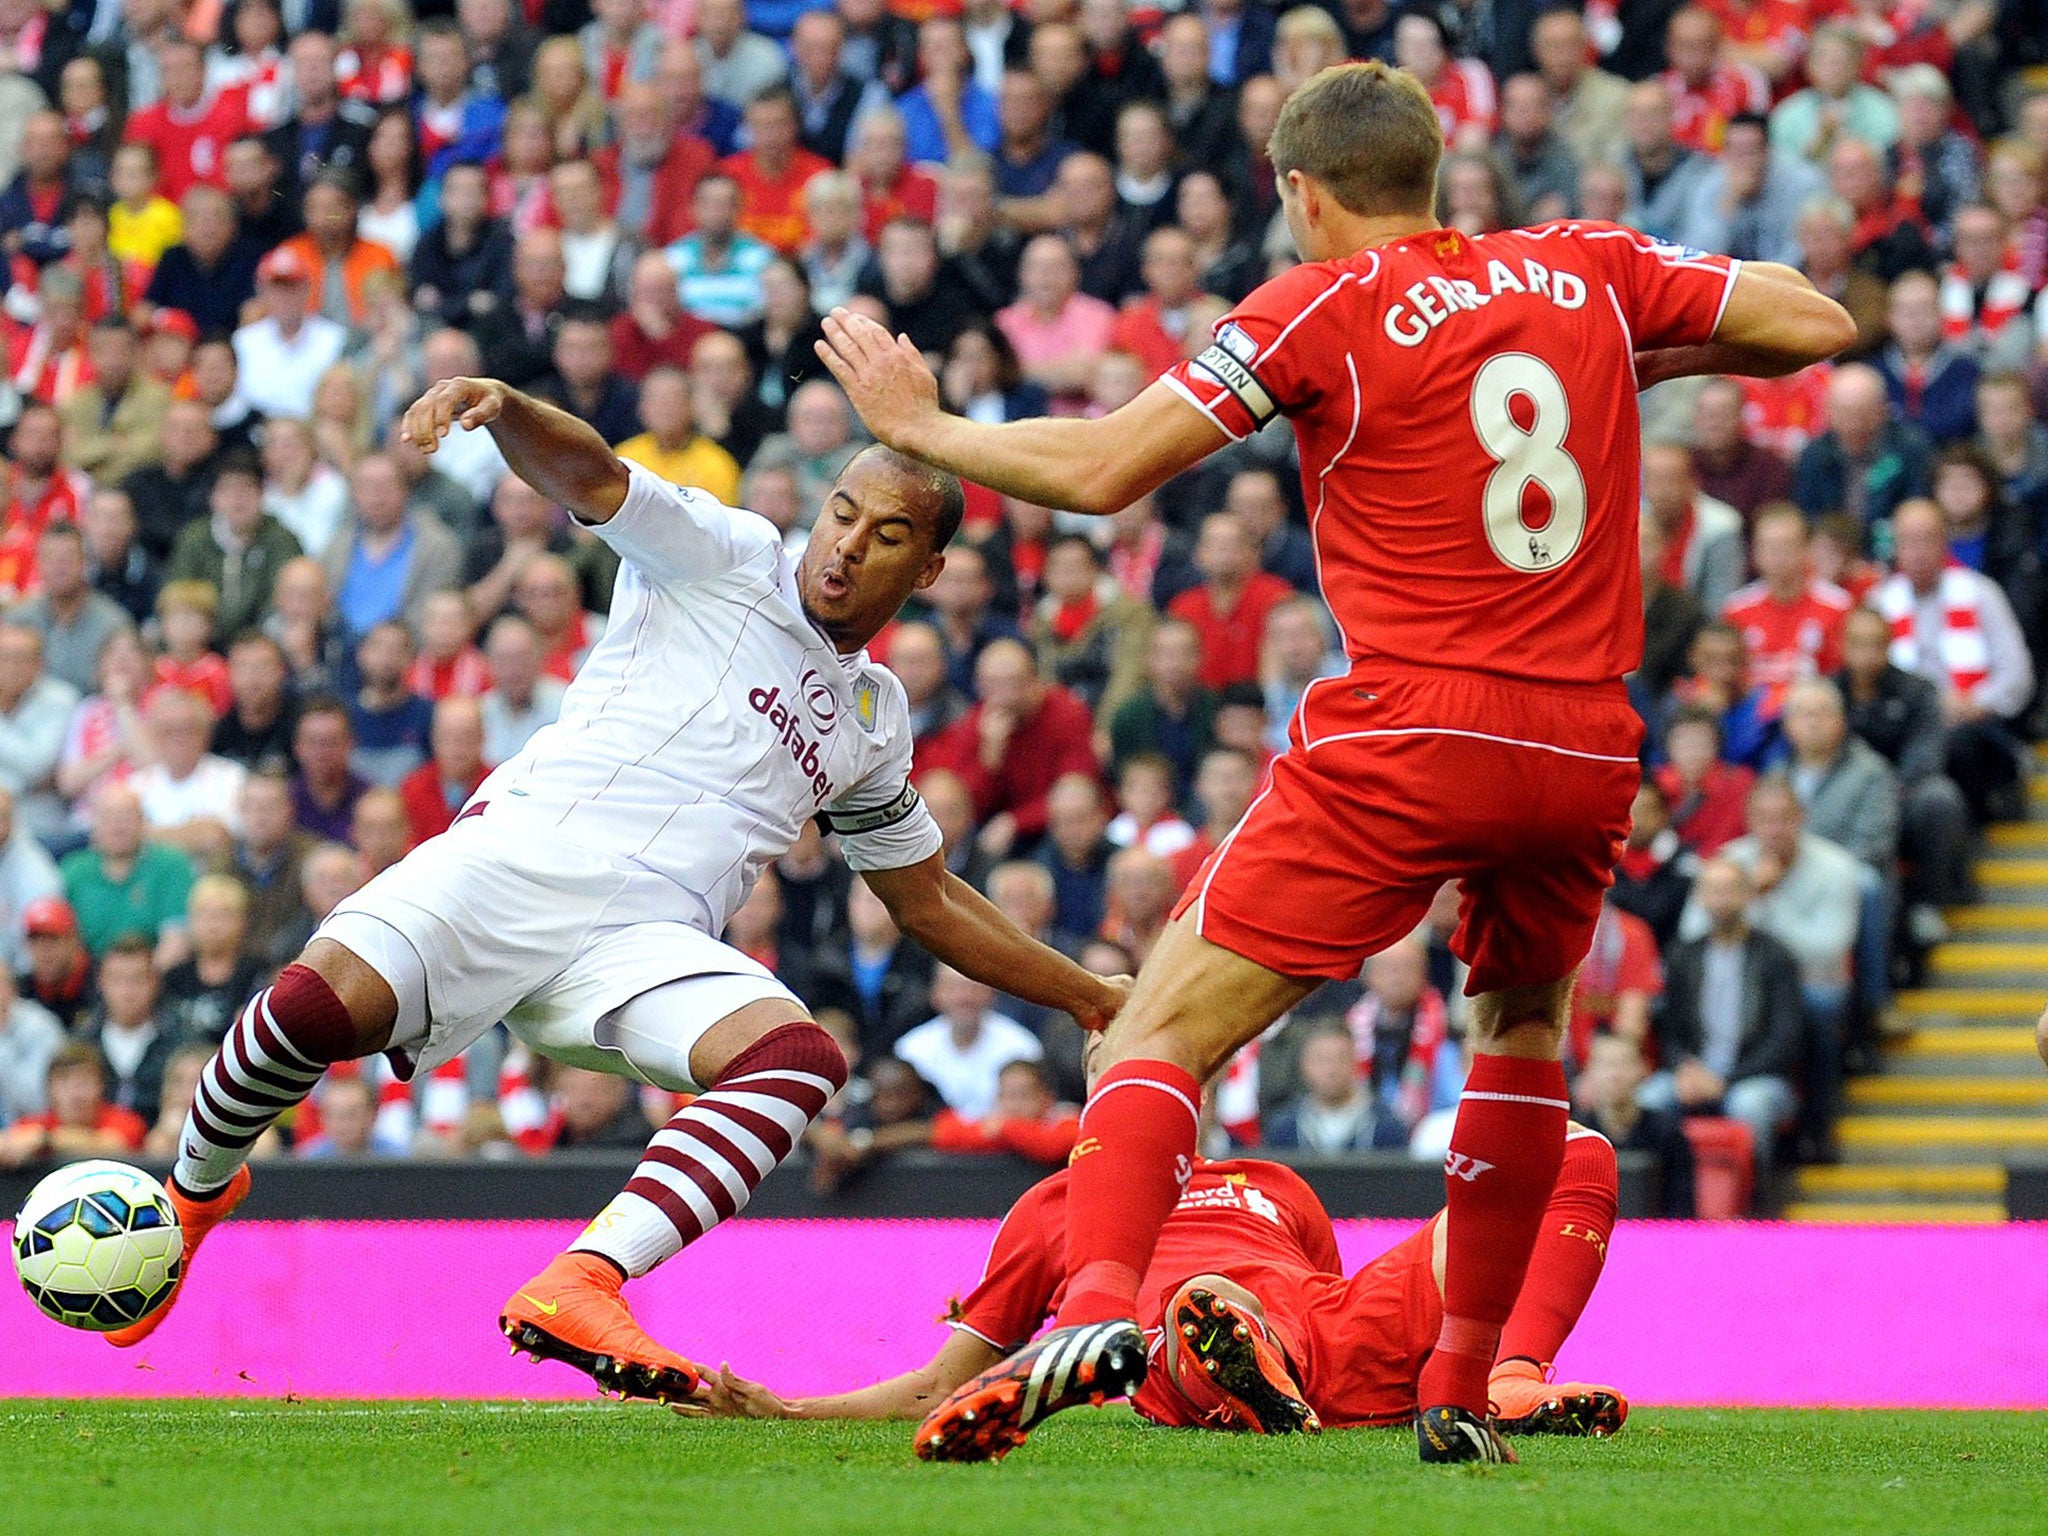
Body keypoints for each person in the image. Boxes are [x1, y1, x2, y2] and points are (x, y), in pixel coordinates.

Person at [814, 58, 1852, 1463]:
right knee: (1524, 1036)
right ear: (1430, 174)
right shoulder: (1581, 267)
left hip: (1416, 725)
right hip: (1588, 740)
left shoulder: (1317, 303)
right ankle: (1465, 1381)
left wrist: (923, 426)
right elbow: (1813, 318)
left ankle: (1103, 1306)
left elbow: (1110, 464)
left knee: (1153, 1031)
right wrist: (1635, 350)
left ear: (1303, 195)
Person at [124, 373, 1130, 1414]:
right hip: (516, 861)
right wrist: (506, 407)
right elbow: (593, 473)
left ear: (927, 570)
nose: (845, 545)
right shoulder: (728, 556)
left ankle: (583, 1279)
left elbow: (930, 904)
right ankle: (196, 1197)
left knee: (796, 1062)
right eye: (840, 513)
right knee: (305, 1012)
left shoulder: (872, 718)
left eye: (884, 535)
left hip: (643, 943)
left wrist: (1086, 997)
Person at [696, 1040, 1627, 1445]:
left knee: (1574, 1151)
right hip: (1173, 1358)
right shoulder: (1054, 1206)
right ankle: (1226, 1353)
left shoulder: (1274, 1183)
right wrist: (796, 1412)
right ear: (1100, 1093)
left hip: (1327, 1330)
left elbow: (1340, 1298)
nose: (1178, 1081)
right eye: (1141, 1066)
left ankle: (1506, 1378)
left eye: (1192, 1062)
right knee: (1190, 1322)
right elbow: (948, 1383)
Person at [1646, 856, 1803, 1184]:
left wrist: (1727, 1080)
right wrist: (1684, 1069)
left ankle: (1756, 1208)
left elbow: (1785, 1038)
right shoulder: (1681, 955)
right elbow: (1669, 1031)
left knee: (1750, 1105)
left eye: (1730, 890)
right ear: (1700, 897)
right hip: (1694, 1072)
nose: (1721, 900)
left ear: (1749, 894)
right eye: (1713, 891)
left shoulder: (1775, 955)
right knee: (1649, 1099)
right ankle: (1662, 1209)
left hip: (1754, 1076)